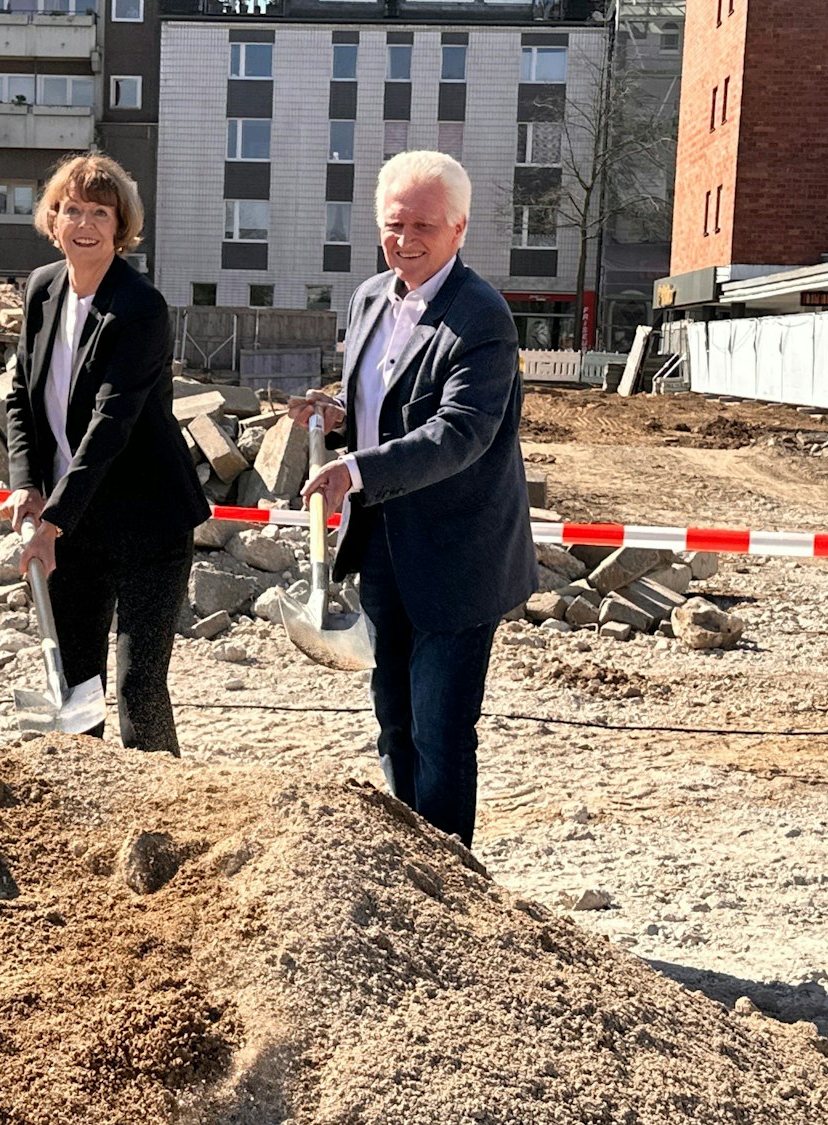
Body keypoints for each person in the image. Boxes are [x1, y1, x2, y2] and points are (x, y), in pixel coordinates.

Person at [290, 151, 537, 847]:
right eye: (395, 224)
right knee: (393, 715)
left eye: (424, 224)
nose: (407, 239)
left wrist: (356, 469)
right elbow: (385, 396)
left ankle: (452, 883)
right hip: (384, 547)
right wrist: (338, 410)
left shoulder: (482, 318)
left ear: (460, 229)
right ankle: (410, 860)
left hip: (460, 556)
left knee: (441, 727)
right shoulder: (370, 297)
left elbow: (460, 432)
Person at [0, 151, 210, 752]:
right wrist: (26, 482)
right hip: (73, 522)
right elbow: (21, 394)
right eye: (71, 210)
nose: (84, 223)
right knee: (74, 683)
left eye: (100, 212)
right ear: (53, 219)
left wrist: (54, 520)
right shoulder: (43, 290)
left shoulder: (139, 307)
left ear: (121, 226)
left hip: (149, 524)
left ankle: (160, 816)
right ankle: (87, 819)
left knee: (140, 688)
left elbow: (110, 424)